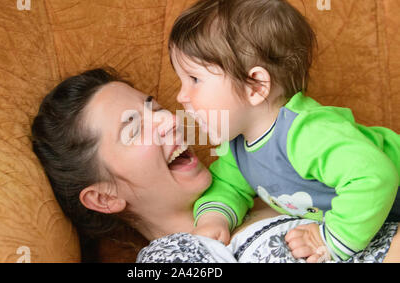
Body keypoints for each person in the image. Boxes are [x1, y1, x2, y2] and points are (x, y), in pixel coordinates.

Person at [30, 67, 400, 263]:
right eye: (134, 130)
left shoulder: (260, 173)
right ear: (105, 198)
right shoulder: (171, 257)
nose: (171, 120)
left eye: (154, 108)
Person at [168, 0, 400, 262]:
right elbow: (227, 185)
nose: (181, 96)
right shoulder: (238, 145)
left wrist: (330, 240)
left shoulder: (305, 133)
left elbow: (374, 177)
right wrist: (214, 218)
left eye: (194, 79)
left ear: (255, 86)